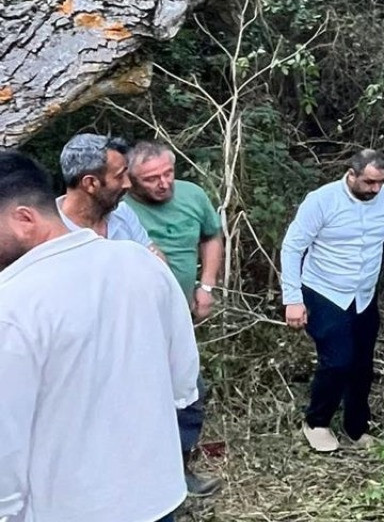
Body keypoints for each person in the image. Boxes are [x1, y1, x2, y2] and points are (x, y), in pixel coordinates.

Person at [0, 151, 199, 522]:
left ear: (24, 219)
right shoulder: (141, 262)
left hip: (69, 509)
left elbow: (4, 440)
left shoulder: (11, 304)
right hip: (156, 495)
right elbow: (184, 383)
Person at [280, 149, 384, 453]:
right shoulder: (322, 201)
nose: (375, 189)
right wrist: (293, 299)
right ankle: (317, 422)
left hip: (363, 294)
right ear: (351, 175)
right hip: (324, 290)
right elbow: (292, 248)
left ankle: (356, 427)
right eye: (368, 182)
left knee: (362, 364)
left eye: (380, 182)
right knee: (338, 360)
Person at [125, 140, 224, 497]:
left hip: (178, 317)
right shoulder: (120, 209)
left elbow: (212, 236)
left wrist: (207, 286)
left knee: (188, 391)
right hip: (133, 323)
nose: (164, 183)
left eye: (168, 173)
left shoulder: (193, 195)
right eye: (152, 178)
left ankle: (180, 470)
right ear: (130, 180)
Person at [57, 133, 163, 258]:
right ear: (90, 183)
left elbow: (155, 259)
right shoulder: (51, 230)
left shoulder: (122, 213)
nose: (128, 184)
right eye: (119, 177)